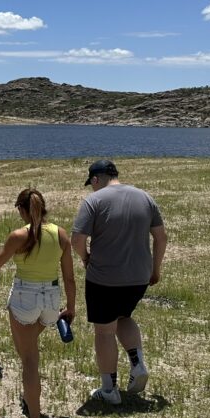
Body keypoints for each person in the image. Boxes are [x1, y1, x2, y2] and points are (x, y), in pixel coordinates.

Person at [0, 188, 76, 418]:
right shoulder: (60, 234)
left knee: (29, 359)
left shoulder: (19, 235)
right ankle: (31, 398)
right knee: (30, 348)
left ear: (22, 209)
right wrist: (71, 307)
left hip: (24, 297)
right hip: (51, 298)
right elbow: (69, 278)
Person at [71, 160, 167, 405]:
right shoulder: (145, 197)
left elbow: (77, 240)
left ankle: (109, 390)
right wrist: (155, 269)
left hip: (104, 279)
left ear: (95, 179)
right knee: (124, 316)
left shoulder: (94, 201)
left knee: (104, 331)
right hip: (138, 278)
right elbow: (161, 237)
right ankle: (138, 363)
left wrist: (85, 258)